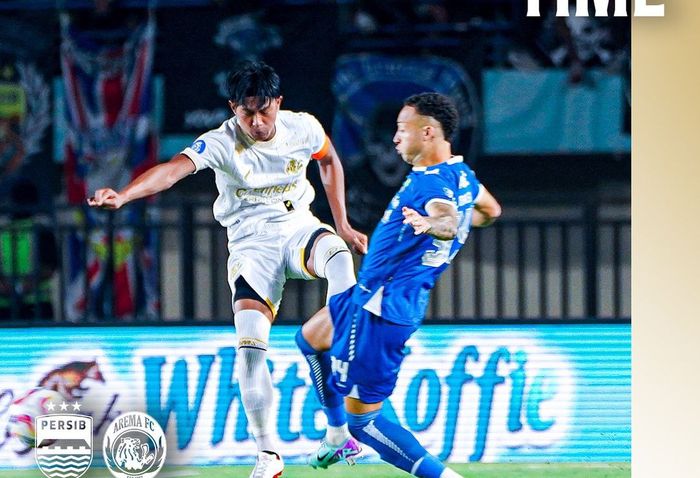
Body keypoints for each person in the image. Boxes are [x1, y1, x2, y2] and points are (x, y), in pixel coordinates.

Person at [87, 60, 368, 478]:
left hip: (297, 228)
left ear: (279, 102)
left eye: (263, 110)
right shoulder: (221, 141)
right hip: (252, 247)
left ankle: (341, 353)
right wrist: (125, 196)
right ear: (233, 107)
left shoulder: (303, 127)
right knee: (251, 353)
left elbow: (328, 161)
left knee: (339, 256)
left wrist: (342, 222)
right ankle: (269, 455)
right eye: (245, 112)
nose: (256, 121)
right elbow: (171, 171)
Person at [296, 92, 501, 477]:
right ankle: (336, 436)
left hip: (381, 309)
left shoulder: (433, 188)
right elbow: (491, 211)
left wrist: (437, 226)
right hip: (368, 298)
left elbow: (443, 216)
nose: (394, 138)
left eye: (401, 129)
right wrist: (456, 225)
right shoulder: (463, 176)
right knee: (309, 337)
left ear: (427, 132)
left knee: (366, 422)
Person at [0, 177, 58, 321]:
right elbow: (50, 266)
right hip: (32, 303)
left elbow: (50, 266)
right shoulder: (42, 226)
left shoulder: (40, 227)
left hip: (32, 303)